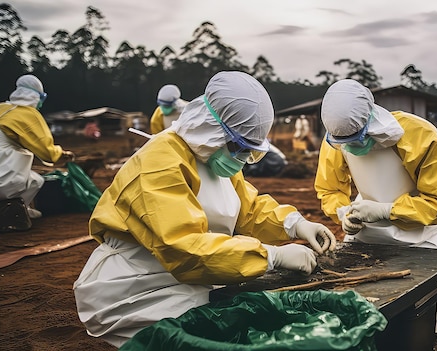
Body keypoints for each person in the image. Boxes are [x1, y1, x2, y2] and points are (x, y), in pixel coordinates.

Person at [73, 71, 336, 347]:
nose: (242, 158)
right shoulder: (160, 162)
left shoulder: (213, 154)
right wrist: (272, 256)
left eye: (250, 150)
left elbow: (250, 208)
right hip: (137, 287)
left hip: (197, 275)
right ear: (212, 127)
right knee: (209, 334)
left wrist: (295, 224)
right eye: (239, 146)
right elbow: (184, 247)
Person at [314, 79, 437, 339]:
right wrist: (342, 213)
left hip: (423, 233)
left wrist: (387, 211)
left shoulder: (419, 134)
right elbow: (329, 190)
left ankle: (432, 329)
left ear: (370, 121)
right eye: (343, 142)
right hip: (367, 231)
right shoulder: (336, 139)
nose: (350, 147)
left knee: (425, 311)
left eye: (357, 139)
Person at [0, 74, 74, 219]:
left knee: (31, 177)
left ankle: (13, 210)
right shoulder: (28, 114)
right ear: (37, 97)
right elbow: (48, 153)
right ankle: (13, 213)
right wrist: (61, 153)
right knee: (36, 181)